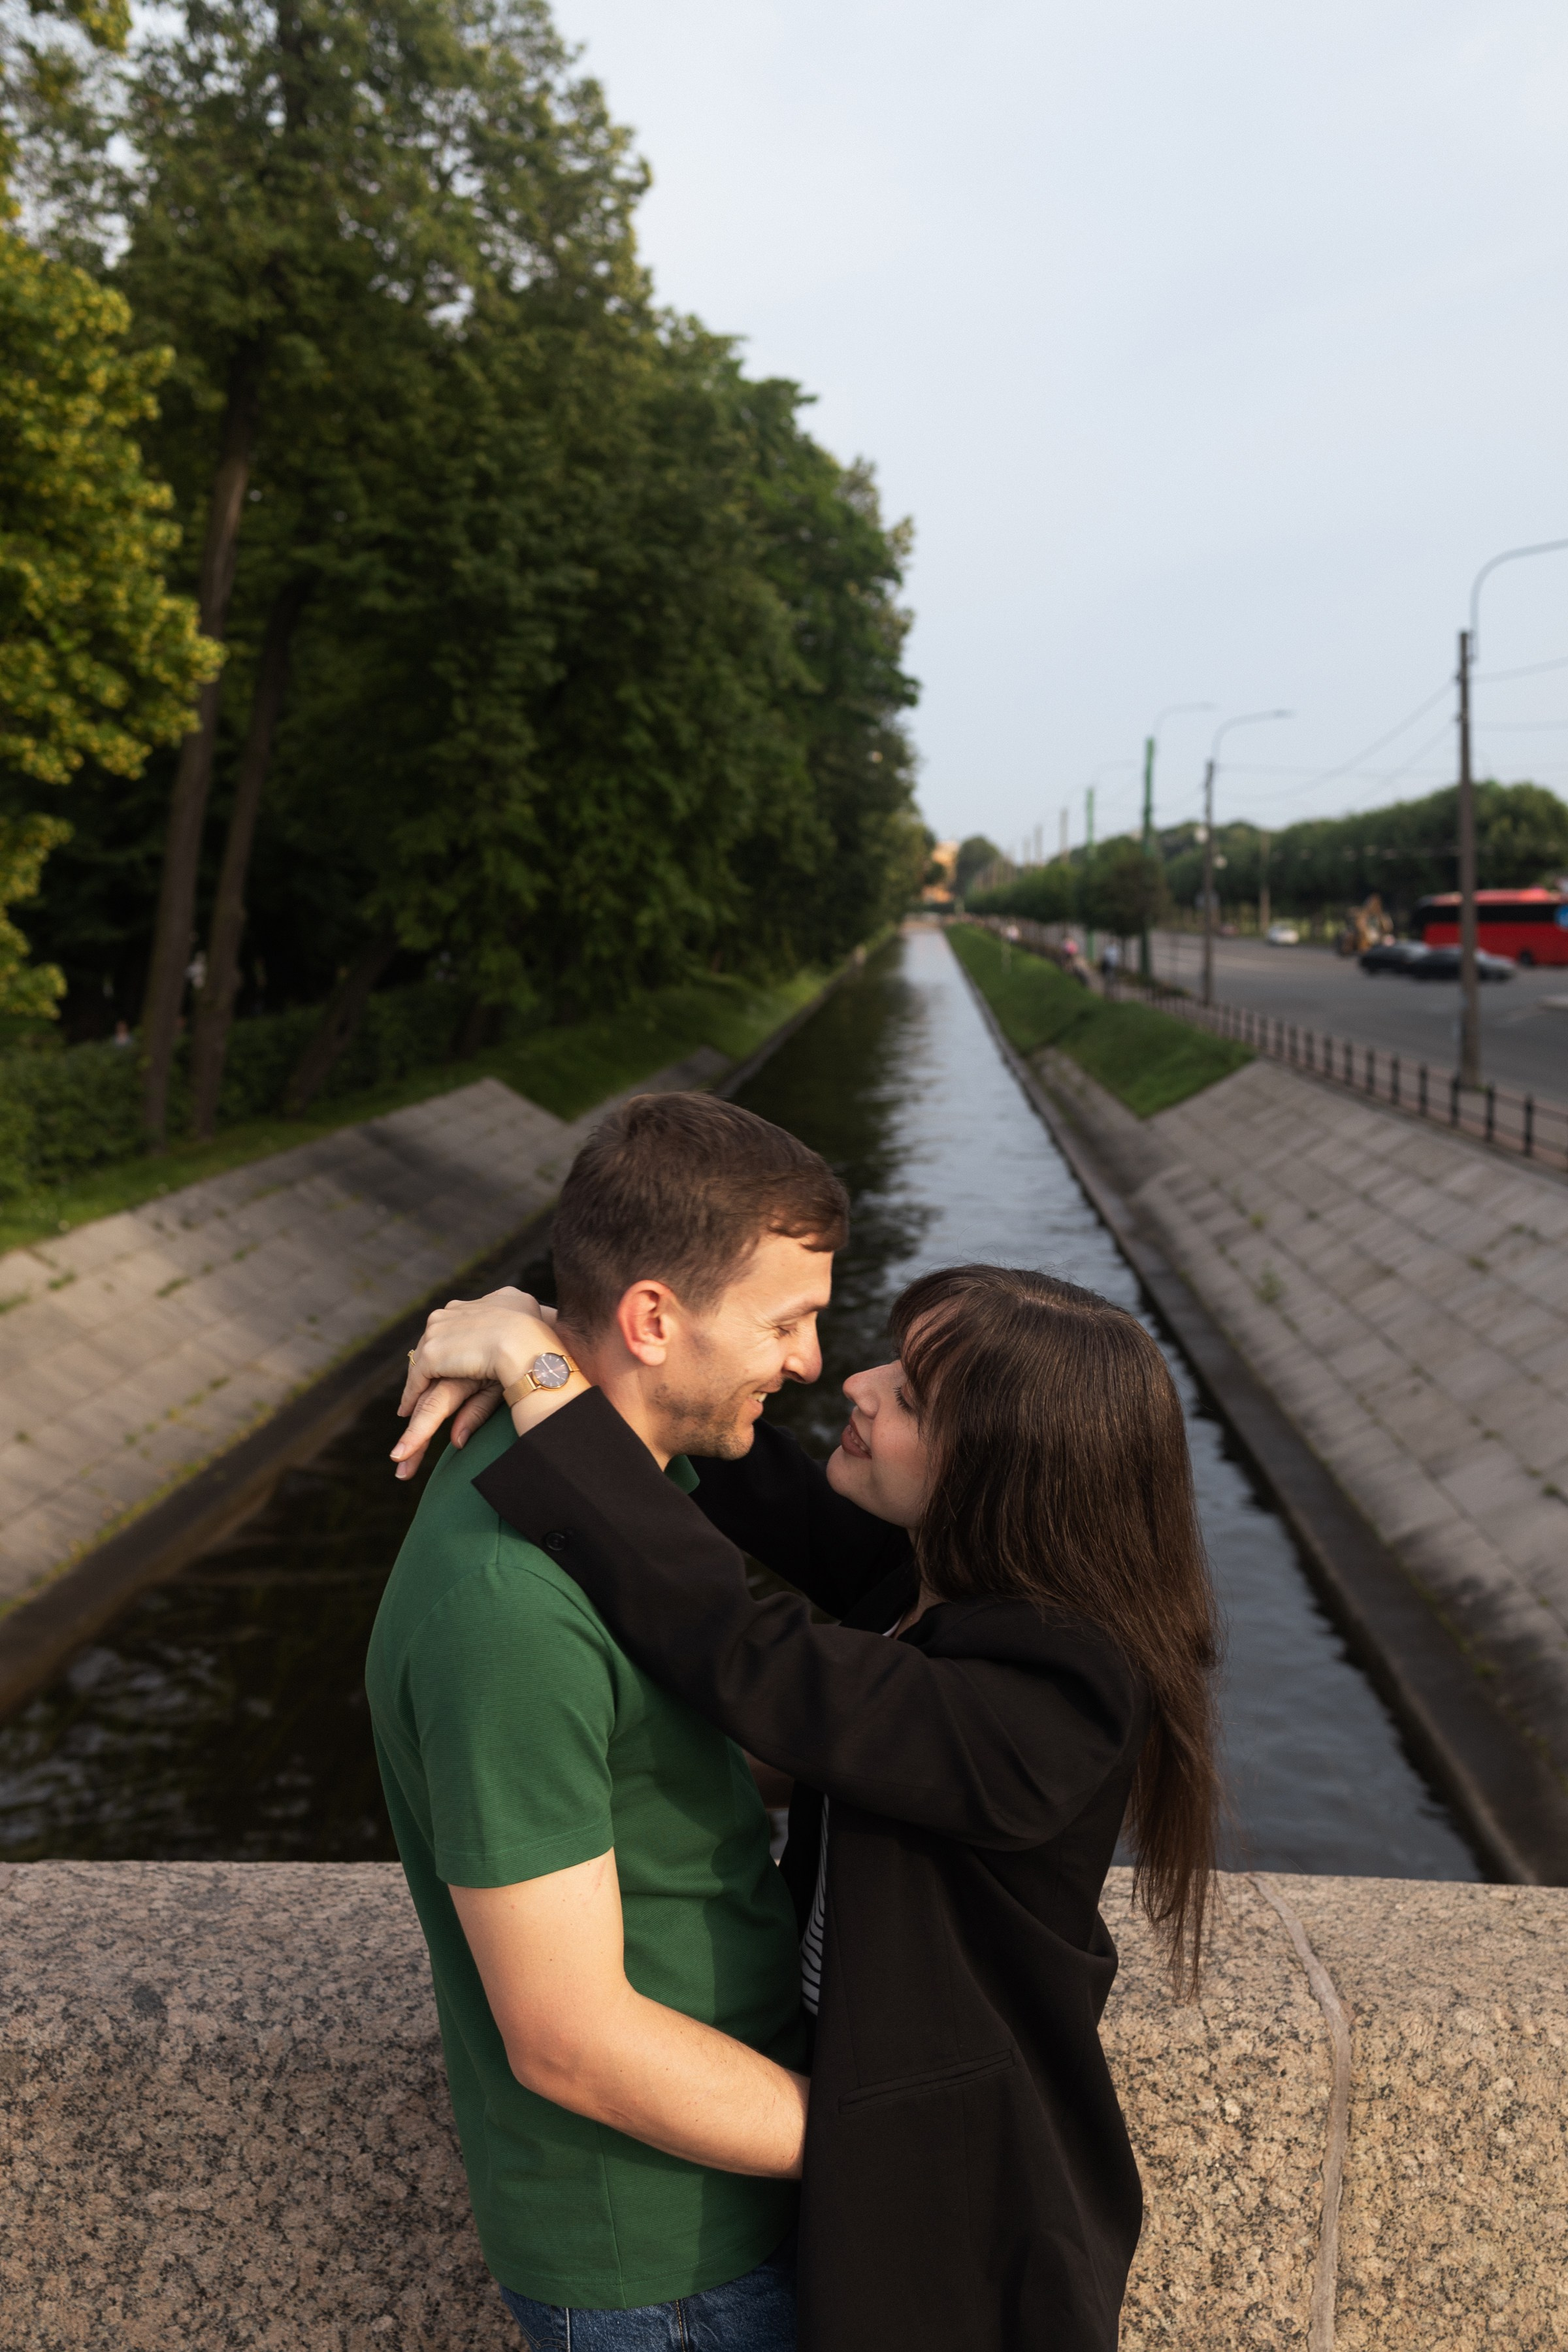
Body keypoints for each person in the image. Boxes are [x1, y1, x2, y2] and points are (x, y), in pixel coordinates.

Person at [399, 1260, 1222, 2352]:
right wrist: (554, 1305)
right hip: (848, 2160)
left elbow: (738, 1647)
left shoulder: (1057, 1698)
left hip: (959, 2242)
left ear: (1006, 1478)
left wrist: (538, 1370)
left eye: (912, 1398)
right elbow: (746, 1476)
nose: (855, 1385)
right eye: (887, 1351)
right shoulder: (932, 1579)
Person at [367, 1090, 853, 2349]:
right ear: (652, 1319)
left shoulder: (621, 1481)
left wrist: (529, 1336)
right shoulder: (508, 1606)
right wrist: (894, 2142)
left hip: (713, 2204)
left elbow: (654, 1746)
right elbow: (571, 2041)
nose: (811, 1362)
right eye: (789, 1321)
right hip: (663, 2260)